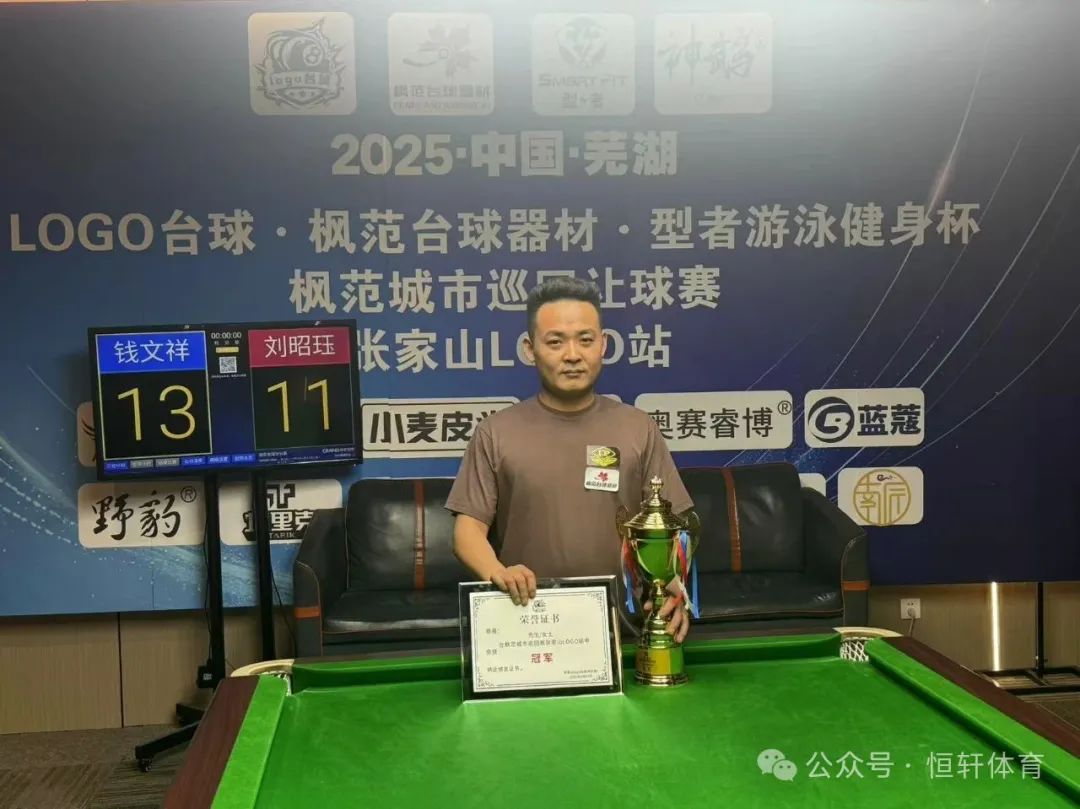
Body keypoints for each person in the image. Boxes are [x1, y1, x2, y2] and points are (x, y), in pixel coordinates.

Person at [444, 277, 696, 642]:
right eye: (556, 341)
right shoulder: (495, 433)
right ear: (530, 349)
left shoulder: (638, 427)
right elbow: (466, 533)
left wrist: (673, 588)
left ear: (603, 345)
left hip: (623, 628)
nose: (573, 354)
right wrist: (498, 572)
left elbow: (672, 529)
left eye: (585, 340)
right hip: (529, 625)